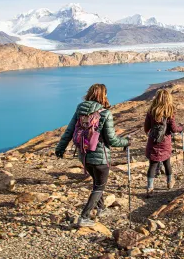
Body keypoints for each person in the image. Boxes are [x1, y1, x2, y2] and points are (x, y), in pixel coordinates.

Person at [55, 84, 129, 227]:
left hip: (84, 156)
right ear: (103, 95)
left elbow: (69, 131)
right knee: (99, 186)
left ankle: (101, 209)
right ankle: (84, 217)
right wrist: (126, 141)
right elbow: (112, 140)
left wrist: (60, 148)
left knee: (96, 183)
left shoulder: (80, 110)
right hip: (100, 157)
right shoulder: (105, 113)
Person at [144, 89, 183, 196]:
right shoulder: (170, 111)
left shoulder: (151, 111)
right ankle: (170, 183)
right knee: (167, 162)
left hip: (153, 141)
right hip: (165, 142)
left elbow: (146, 127)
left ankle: (149, 188)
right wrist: (181, 128)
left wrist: (151, 134)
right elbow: (174, 129)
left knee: (152, 165)